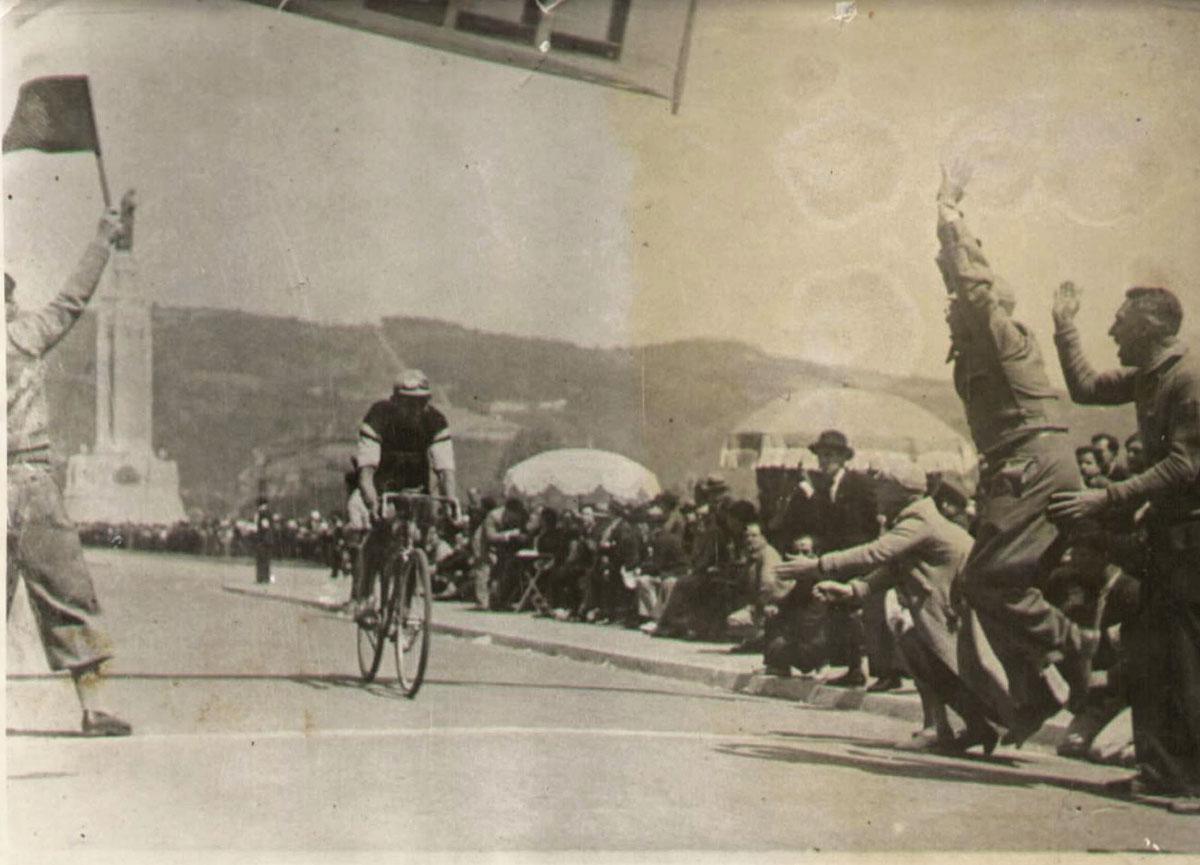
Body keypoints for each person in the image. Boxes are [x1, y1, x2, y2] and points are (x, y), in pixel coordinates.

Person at [934, 163, 1097, 740]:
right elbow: (958, 285)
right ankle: (1035, 693)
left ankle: (1076, 648)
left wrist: (950, 213)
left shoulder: (1003, 336)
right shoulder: (979, 351)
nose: (949, 310)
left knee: (984, 579)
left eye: (957, 306)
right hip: (1024, 464)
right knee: (990, 584)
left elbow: (972, 287)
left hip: (1032, 460)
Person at [1049, 281, 1200, 814]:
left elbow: (1186, 465)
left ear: (1149, 328)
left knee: (1184, 657)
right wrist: (1065, 326)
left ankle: (1192, 783)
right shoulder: (1149, 377)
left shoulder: (1188, 379)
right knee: (1150, 654)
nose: (1111, 330)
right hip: (1169, 536)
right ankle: (1161, 773)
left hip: (1192, 538)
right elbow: (1087, 386)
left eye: (1119, 322)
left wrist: (1105, 497)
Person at [6, 200, 132, 736]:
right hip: (29, 480)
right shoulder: (21, 336)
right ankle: (94, 705)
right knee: (66, 595)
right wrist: (104, 236)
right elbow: (72, 301)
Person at [799, 461, 998, 754]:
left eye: (882, 486)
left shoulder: (918, 520)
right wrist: (855, 589)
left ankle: (949, 728)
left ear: (901, 492)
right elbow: (895, 568)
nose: (876, 492)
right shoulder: (912, 517)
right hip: (944, 604)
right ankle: (964, 727)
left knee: (925, 653)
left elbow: (877, 553)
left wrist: (818, 565)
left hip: (955, 605)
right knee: (924, 653)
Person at [351, 369, 458, 624]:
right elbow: (365, 471)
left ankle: (404, 606)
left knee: (416, 541)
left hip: (416, 484)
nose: (415, 408)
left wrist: (452, 500)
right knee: (378, 533)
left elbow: (445, 469)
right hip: (382, 482)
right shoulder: (380, 415)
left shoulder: (435, 421)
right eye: (409, 402)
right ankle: (364, 598)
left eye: (421, 402)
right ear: (396, 399)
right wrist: (372, 502)